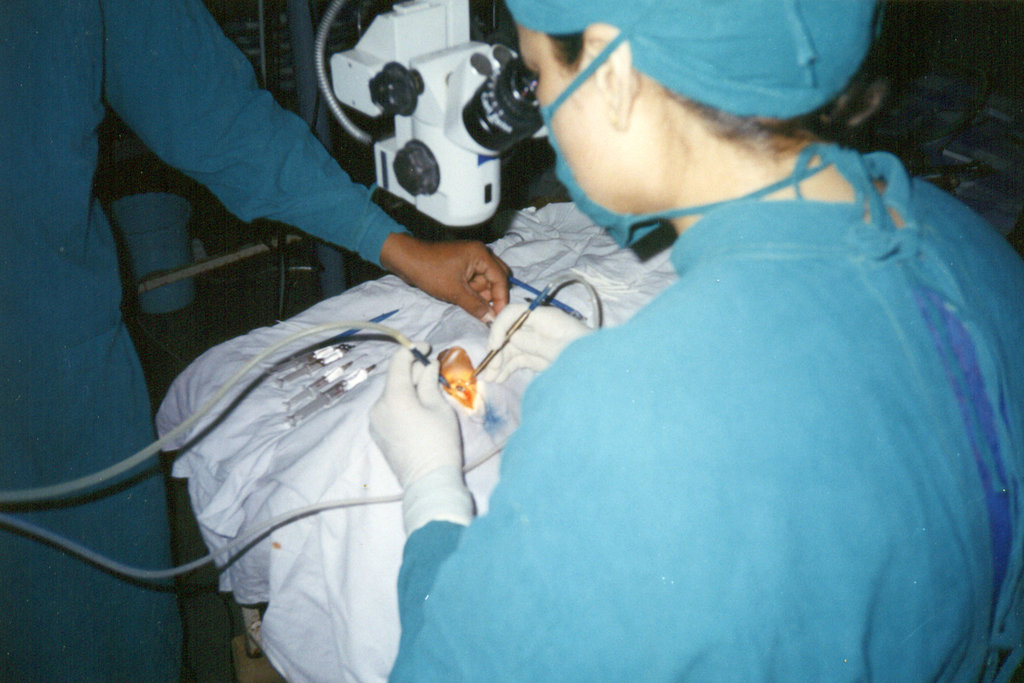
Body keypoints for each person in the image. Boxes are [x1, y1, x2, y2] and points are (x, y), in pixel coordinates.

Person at [368, 0, 1024, 680]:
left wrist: (431, 489)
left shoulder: (626, 423)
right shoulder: (968, 240)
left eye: (535, 77)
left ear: (612, 76)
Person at [0, 1, 509, 680]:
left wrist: (398, 247)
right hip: (40, 364)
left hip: (64, 384)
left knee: (103, 642)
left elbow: (217, 115)